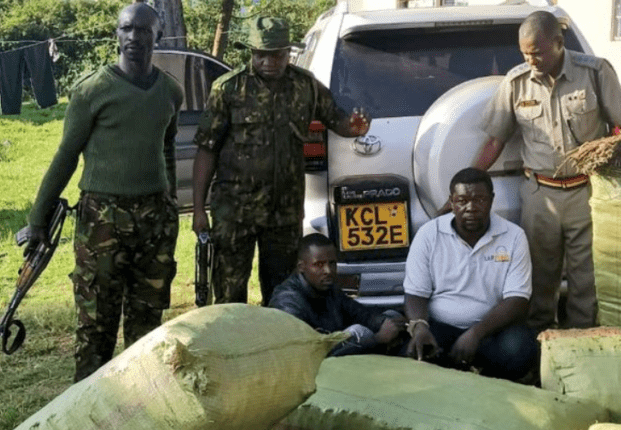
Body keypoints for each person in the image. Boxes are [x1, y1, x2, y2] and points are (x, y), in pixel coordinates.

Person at [24, 2, 184, 382]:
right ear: (117, 34)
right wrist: (37, 219)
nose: (134, 37)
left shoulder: (170, 92)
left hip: (155, 222)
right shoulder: (93, 90)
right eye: (127, 29)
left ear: (157, 36)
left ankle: (143, 403)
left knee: (147, 323)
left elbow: (167, 147)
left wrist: (172, 197)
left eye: (143, 30)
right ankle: (87, 408)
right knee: (97, 324)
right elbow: (65, 156)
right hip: (103, 221)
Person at [473, 10, 621, 331]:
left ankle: (583, 343)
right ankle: (539, 347)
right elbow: (493, 142)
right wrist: (468, 180)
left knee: (588, 279)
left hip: (589, 193)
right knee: (538, 277)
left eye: (538, 52)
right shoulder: (515, 83)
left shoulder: (595, 73)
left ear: (558, 43)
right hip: (540, 196)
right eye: (525, 53)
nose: (532, 60)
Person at [192, 16, 370, 306]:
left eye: (277, 54)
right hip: (236, 211)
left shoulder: (306, 87)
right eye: (261, 54)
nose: (269, 61)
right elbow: (206, 150)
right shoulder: (228, 89)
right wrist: (199, 209)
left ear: (289, 53)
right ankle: (233, 349)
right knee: (228, 292)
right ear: (251, 52)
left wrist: (355, 127)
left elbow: (337, 120)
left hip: (283, 212)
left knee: (283, 293)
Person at [404, 168, 537, 382]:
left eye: (479, 200)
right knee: (412, 351)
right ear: (451, 202)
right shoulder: (429, 234)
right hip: (440, 329)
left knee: (520, 350)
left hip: (491, 331)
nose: (471, 208)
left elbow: (518, 300)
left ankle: (481, 379)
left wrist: (476, 333)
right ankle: (460, 374)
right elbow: (415, 294)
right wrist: (419, 327)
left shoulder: (513, 236)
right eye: (462, 200)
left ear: (492, 200)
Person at [268, 233, 406, 356]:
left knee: (392, 317)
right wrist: (378, 339)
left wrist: (389, 320)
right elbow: (310, 350)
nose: (328, 270)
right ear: (301, 267)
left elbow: (359, 312)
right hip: (307, 367)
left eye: (332, 263)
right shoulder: (287, 302)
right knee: (359, 332)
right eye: (319, 265)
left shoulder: (327, 288)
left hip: (332, 359)